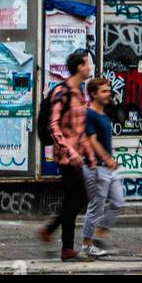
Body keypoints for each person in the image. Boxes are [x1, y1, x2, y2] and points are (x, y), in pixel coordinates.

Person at [36, 49, 95, 260]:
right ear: (79, 67)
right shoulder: (63, 92)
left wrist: (89, 153)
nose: (89, 67)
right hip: (66, 156)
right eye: (87, 63)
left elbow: (80, 129)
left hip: (76, 155)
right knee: (81, 198)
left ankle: (67, 248)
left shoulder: (79, 93)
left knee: (72, 199)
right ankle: (49, 230)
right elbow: (53, 125)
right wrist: (69, 150)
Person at [81, 78, 126, 257]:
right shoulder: (89, 114)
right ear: (93, 94)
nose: (108, 94)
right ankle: (86, 244)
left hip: (108, 168)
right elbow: (92, 141)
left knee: (118, 202)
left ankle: (100, 234)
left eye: (108, 90)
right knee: (96, 207)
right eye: (104, 91)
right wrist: (107, 159)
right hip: (96, 167)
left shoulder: (103, 115)